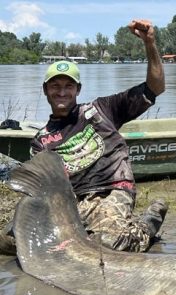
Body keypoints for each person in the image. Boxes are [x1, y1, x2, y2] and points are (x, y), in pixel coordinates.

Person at [1, 19, 167, 255]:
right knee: (15, 244)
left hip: (111, 190)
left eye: (68, 86)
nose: (61, 91)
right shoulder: (41, 141)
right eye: (55, 85)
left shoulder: (102, 109)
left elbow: (155, 87)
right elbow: (45, 189)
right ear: (45, 90)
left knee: (109, 245)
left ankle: (146, 227)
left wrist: (150, 44)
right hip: (71, 202)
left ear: (78, 90)